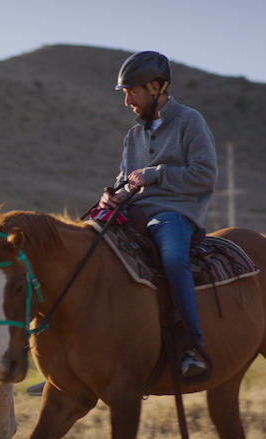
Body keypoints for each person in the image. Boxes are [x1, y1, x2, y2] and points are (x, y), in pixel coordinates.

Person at [98, 51, 218, 377]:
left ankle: (190, 347)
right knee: (85, 248)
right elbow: (126, 180)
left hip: (174, 213)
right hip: (133, 212)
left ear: (155, 87)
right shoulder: (133, 135)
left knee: (173, 260)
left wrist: (156, 174)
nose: (126, 101)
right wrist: (113, 195)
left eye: (131, 92)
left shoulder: (189, 121)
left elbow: (205, 175)